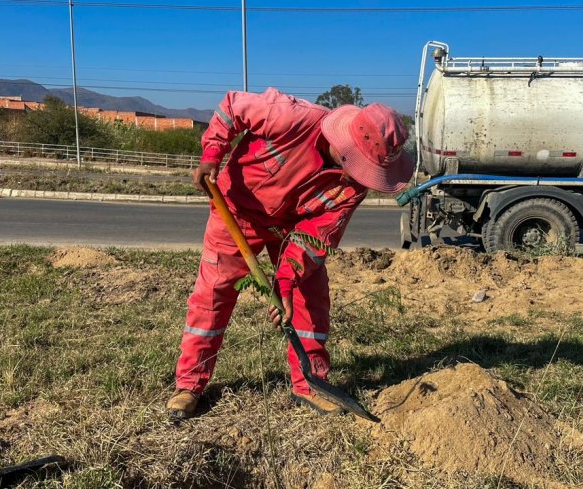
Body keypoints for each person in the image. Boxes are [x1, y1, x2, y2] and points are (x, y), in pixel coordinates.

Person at [166, 88, 414, 418]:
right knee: (214, 291)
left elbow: (314, 239)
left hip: (291, 228)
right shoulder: (289, 116)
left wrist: (284, 285)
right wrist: (212, 154)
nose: (360, 177)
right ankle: (189, 384)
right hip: (237, 210)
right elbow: (231, 107)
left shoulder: (352, 187)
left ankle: (309, 382)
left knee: (309, 296)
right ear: (343, 146)